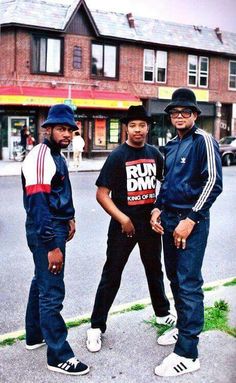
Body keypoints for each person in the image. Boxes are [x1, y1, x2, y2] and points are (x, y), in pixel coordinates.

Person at [86, 105, 176, 353]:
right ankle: (96, 327)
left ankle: (162, 313)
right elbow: (102, 194)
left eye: (142, 125)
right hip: (122, 226)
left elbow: (166, 186)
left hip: (148, 224)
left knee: (154, 269)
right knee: (112, 274)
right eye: (133, 125)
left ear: (148, 127)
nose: (138, 129)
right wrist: (123, 218)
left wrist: (159, 211)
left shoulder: (154, 153)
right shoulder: (117, 156)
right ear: (127, 127)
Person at [151, 88, 223, 377]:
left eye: (185, 112)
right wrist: (157, 207)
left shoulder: (202, 140)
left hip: (189, 222)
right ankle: (183, 328)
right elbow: (167, 182)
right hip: (169, 220)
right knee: (175, 279)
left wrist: (192, 218)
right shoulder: (172, 144)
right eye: (175, 113)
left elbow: (213, 182)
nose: (179, 116)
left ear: (195, 115)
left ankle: (188, 353)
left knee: (189, 282)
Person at [21, 104, 89, 376]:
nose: (66, 134)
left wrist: (70, 217)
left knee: (41, 281)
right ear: (46, 129)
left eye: (70, 130)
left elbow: (59, 192)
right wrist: (51, 246)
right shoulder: (41, 155)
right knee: (52, 292)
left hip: (57, 225)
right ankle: (59, 355)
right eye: (61, 129)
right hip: (46, 230)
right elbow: (37, 205)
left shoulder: (58, 155)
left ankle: (34, 335)